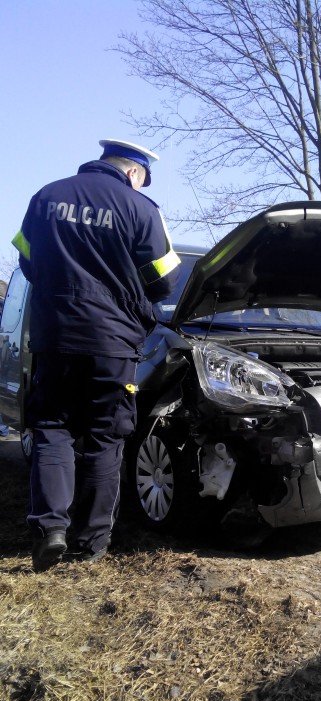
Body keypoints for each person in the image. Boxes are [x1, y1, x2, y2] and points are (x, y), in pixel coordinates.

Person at [11, 139, 180, 571]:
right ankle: (92, 541)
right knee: (106, 437)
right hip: (113, 345)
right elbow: (162, 281)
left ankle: (50, 528)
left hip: (55, 338)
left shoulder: (47, 196)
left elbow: (27, 262)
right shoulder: (141, 209)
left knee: (52, 428)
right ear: (135, 173)